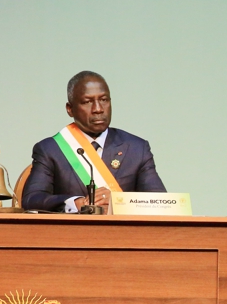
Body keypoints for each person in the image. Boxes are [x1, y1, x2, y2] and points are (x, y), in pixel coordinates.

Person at [22, 71, 166, 213]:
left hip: (124, 235)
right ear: (70, 109)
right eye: (87, 102)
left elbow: (160, 202)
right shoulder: (50, 150)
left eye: (104, 100)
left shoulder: (136, 148)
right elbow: (32, 199)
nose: (98, 109)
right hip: (73, 234)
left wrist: (118, 202)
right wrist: (75, 203)